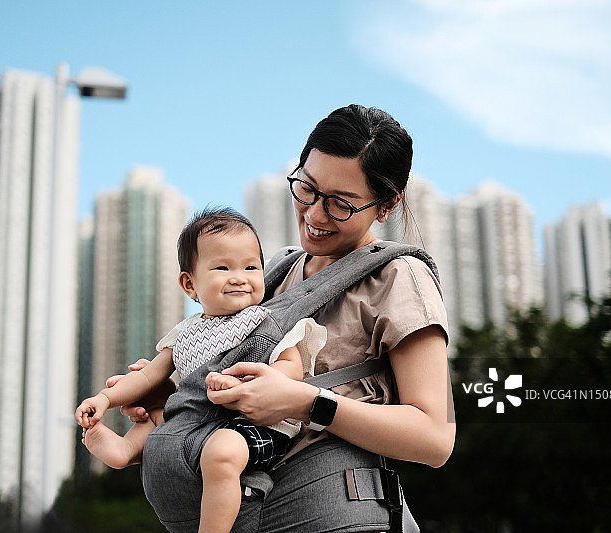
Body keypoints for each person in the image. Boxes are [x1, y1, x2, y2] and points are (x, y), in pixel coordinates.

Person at [116, 104, 455, 532]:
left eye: (341, 204)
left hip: (335, 515)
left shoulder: (400, 277)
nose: (314, 214)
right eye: (306, 189)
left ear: (386, 207)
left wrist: (303, 401)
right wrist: (174, 396)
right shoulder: (272, 273)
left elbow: (435, 438)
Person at [76, 207, 325, 533]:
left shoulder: (266, 323)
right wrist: (106, 399)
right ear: (189, 284)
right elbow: (149, 376)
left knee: (222, 453)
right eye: (222, 267)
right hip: (197, 420)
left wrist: (248, 380)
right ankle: (125, 449)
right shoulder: (186, 332)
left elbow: (291, 367)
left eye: (251, 267)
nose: (239, 276)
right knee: (160, 414)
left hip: (255, 423)